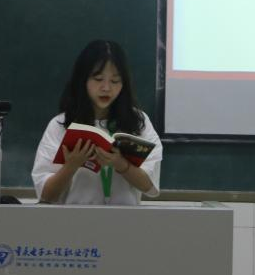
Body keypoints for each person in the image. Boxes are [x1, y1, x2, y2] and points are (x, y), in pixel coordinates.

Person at [32, 40, 162, 205]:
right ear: (83, 80)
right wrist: (71, 165)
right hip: (75, 218)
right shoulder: (60, 124)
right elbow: (46, 196)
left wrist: (121, 164)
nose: (106, 88)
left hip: (125, 218)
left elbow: (149, 187)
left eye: (115, 81)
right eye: (98, 79)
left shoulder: (138, 122)